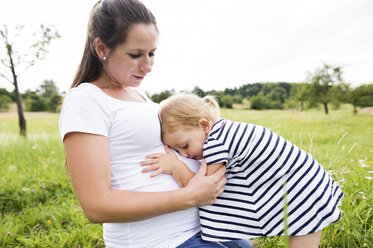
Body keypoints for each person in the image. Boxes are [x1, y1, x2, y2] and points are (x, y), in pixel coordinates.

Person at [59, 0, 252, 247]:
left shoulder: (140, 97)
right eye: (135, 55)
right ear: (101, 48)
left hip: (208, 230)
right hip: (162, 240)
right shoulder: (85, 99)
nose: (148, 66)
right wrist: (190, 196)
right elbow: (96, 206)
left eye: (151, 53)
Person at [141, 93, 344, 248]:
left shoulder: (216, 142)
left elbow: (206, 191)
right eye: (176, 151)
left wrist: (176, 166)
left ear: (203, 126)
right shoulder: (225, 130)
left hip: (303, 196)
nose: (183, 155)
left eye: (184, 146)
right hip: (310, 188)